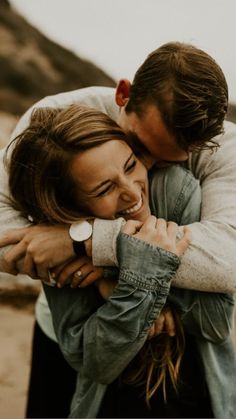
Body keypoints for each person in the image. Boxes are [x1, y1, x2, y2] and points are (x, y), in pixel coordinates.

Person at [5, 104, 236, 418]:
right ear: (69, 209)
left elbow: (216, 322)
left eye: (131, 165)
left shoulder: (178, 191)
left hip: (193, 387)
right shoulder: (54, 237)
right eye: (104, 189)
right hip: (106, 401)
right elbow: (95, 361)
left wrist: (109, 266)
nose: (131, 192)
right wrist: (141, 282)